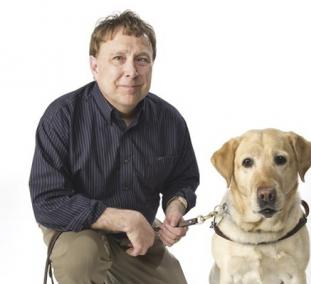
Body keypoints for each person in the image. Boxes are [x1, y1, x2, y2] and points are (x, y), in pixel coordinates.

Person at [29, 10, 199, 284]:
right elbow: (48, 202)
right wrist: (125, 219)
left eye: (142, 60)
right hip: (77, 232)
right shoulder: (62, 117)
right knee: (82, 258)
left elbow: (183, 178)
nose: (131, 71)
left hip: (138, 237)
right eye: (118, 58)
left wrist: (175, 208)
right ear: (95, 66)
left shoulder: (169, 120)